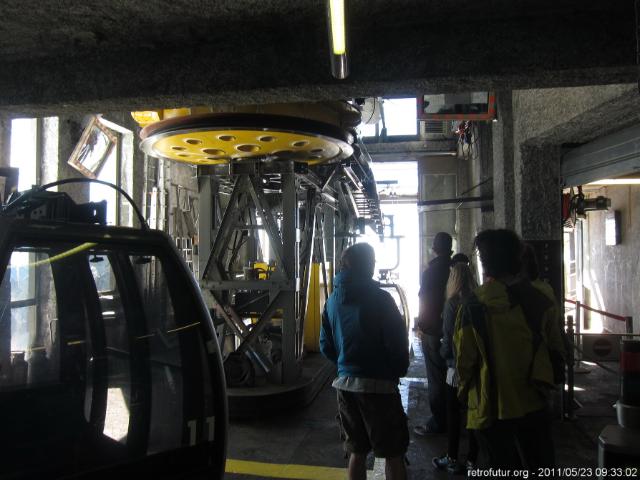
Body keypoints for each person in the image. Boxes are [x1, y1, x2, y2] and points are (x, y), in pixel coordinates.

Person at [455, 229, 562, 469]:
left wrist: (464, 395)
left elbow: (465, 361)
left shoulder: (473, 305)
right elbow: (557, 347)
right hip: (535, 399)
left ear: (484, 263)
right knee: (539, 466)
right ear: (518, 257)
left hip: (490, 406)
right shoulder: (542, 297)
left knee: (500, 467)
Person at [320, 242, 409, 480]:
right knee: (393, 453)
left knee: (356, 452)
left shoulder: (331, 301)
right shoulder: (381, 299)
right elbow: (398, 342)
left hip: (345, 386)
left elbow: (325, 345)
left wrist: (344, 365)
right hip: (380, 387)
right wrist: (396, 370)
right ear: (368, 266)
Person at [432, 262, 479, 474]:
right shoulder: (478, 300)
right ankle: (472, 459)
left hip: (455, 368)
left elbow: (449, 338)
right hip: (477, 367)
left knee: (453, 414)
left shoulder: (452, 303)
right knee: (474, 414)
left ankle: (451, 457)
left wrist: (442, 355)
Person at [415, 232, 453, 435]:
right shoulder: (455, 268)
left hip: (434, 330)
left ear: (434, 248)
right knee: (451, 376)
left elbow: (426, 300)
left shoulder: (432, 271)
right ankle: (452, 416)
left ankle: (438, 421)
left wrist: (421, 325)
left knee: (436, 377)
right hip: (454, 330)